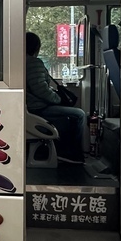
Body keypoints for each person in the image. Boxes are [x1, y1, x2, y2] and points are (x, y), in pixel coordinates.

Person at [25, 31, 87, 164]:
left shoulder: (20, 62)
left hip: (30, 106)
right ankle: (70, 153)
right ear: (35, 47)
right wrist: (59, 99)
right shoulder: (33, 63)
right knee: (79, 114)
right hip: (38, 108)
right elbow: (41, 90)